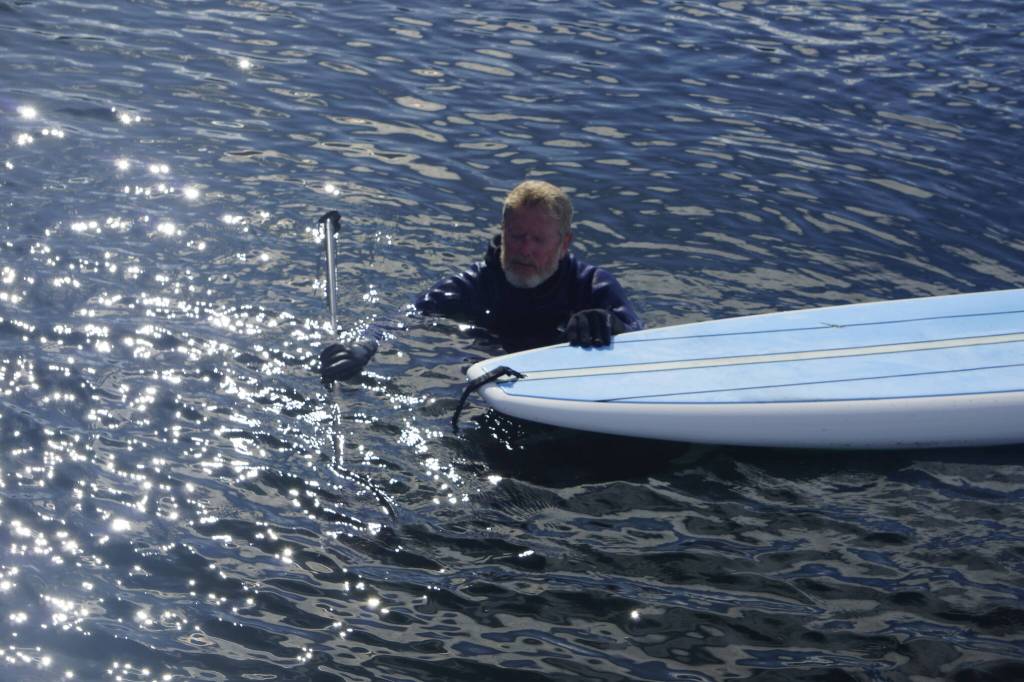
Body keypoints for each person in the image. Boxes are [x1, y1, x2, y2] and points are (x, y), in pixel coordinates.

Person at [319, 179, 643, 383]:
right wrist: (363, 347)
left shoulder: (592, 286)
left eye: (538, 240)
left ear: (564, 243)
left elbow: (639, 338)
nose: (525, 250)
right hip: (493, 381)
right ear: (503, 232)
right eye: (517, 236)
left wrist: (610, 324)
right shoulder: (473, 286)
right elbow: (403, 317)